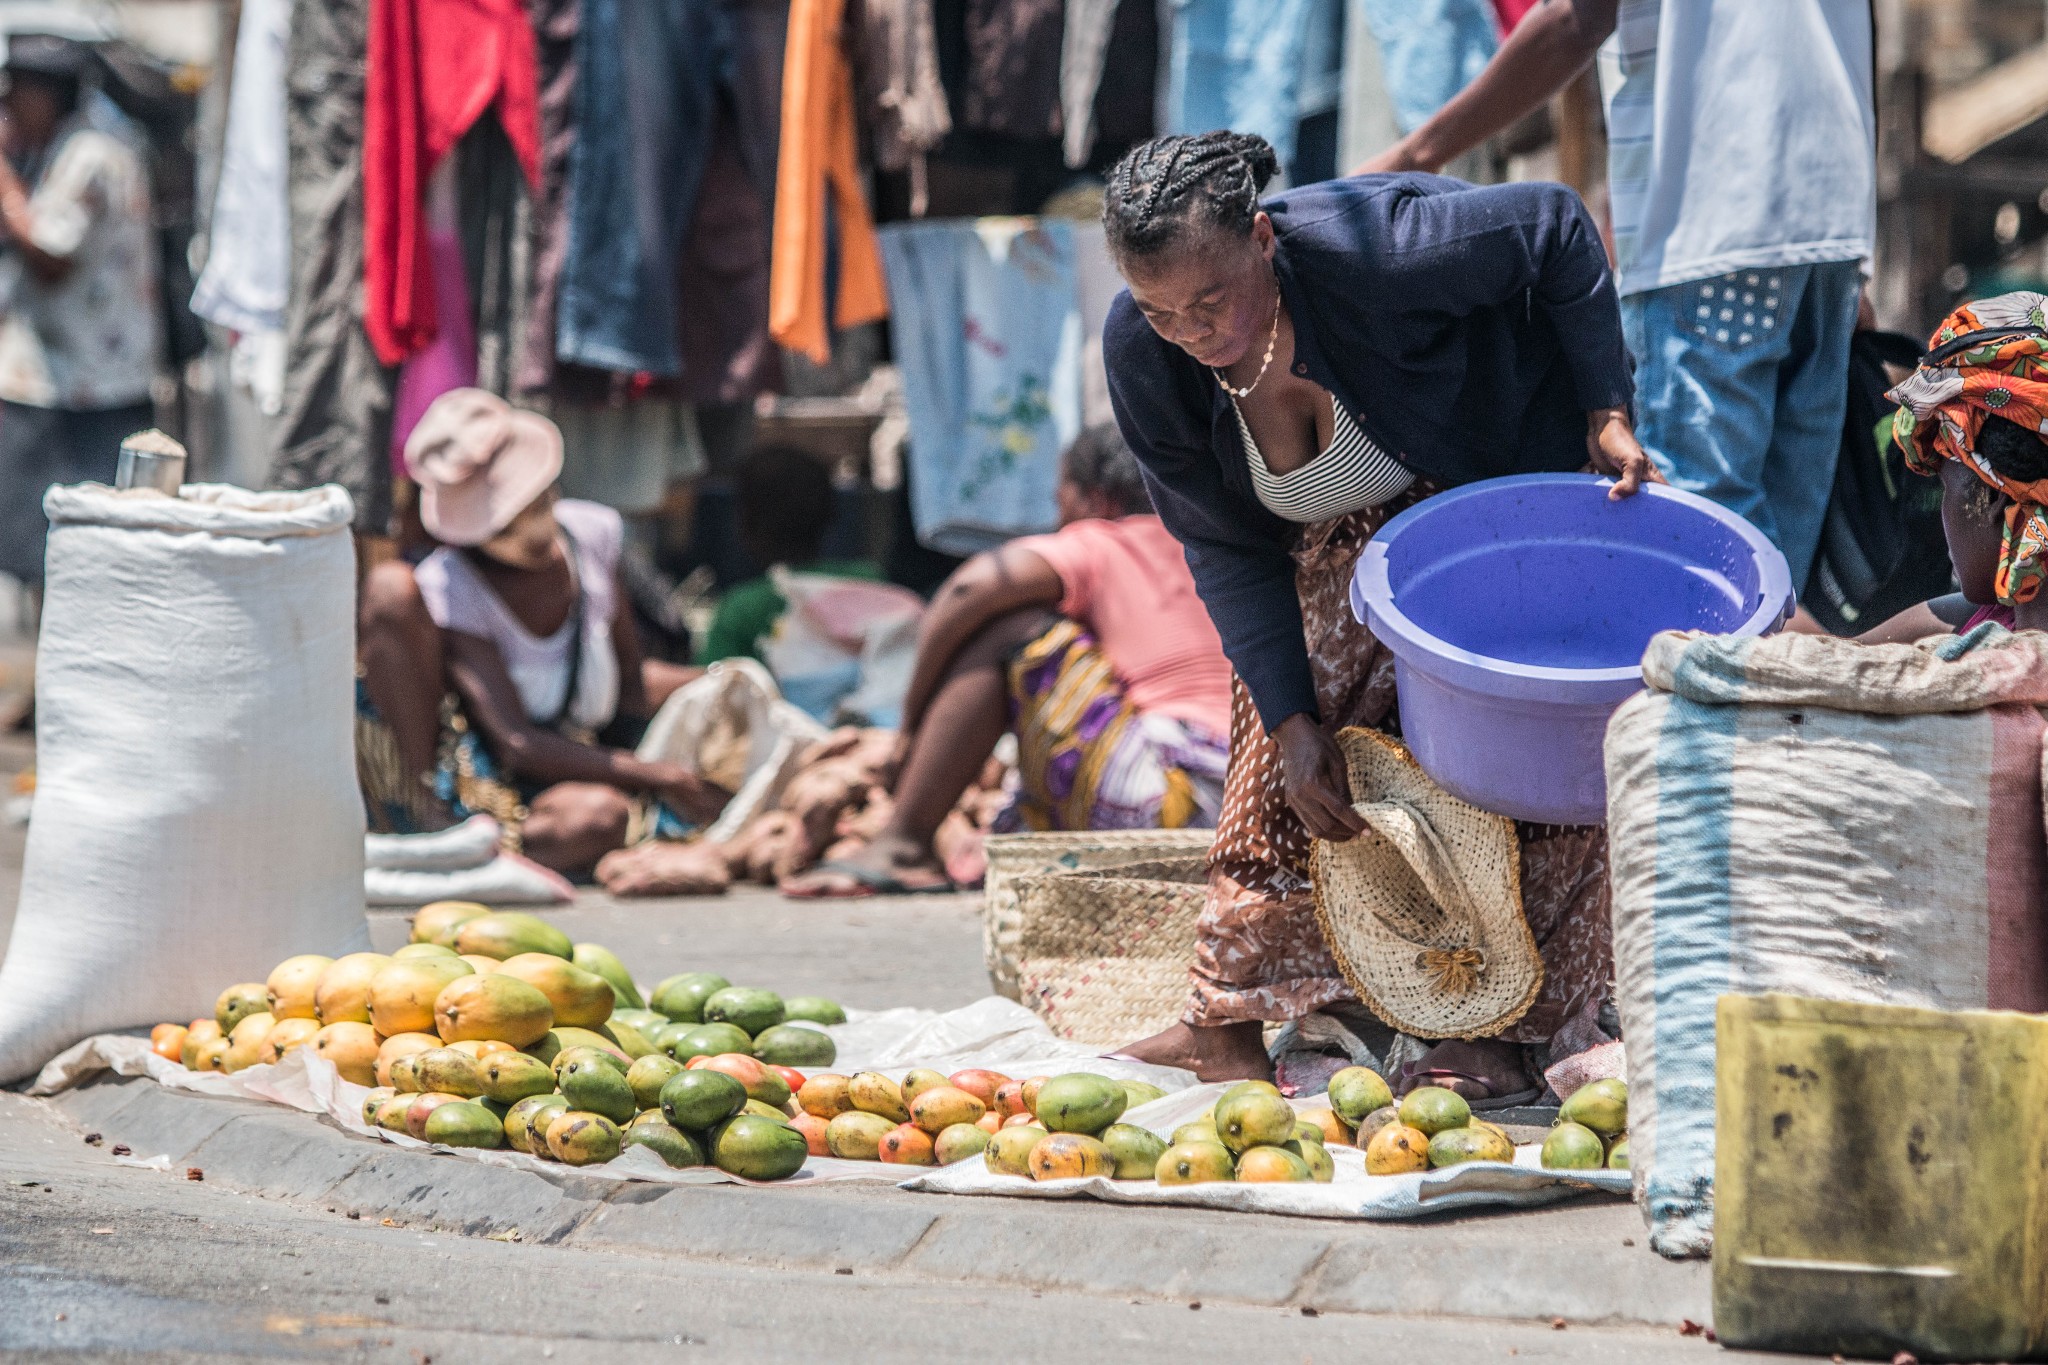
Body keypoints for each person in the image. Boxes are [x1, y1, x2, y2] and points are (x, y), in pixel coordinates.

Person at [1100, 130, 1655, 1089]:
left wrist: (1606, 409)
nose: (1191, 332)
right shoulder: (1145, 358)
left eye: (1210, 302)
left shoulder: (1383, 253)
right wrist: (1290, 719)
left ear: (1263, 242)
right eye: (1162, 311)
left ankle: (1513, 1030)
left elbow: (1557, 226)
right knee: (1286, 752)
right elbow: (1224, 547)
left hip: (1492, 496)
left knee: (1512, 758)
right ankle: (1228, 1013)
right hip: (1331, 537)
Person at [1360, 0, 1875, 594]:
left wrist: (1414, 153)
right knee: (1772, 572)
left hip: (1711, 222)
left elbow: (1576, 20)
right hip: (1832, 224)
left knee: (1698, 569)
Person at [783, 424, 1235, 898]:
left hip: (1169, 795)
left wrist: (911, 722)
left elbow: (967, 590)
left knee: (1016, 630)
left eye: (1059, 494)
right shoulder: (1208, 544)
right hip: (1244, 805)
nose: (1057, 511)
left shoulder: (1105, 540)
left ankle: (903, 843)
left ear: (1094, 500)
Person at [357, 388, 722, 873]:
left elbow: (629, 689)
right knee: (593, 818)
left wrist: (727, 684)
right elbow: (517, 742)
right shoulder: (452, 587)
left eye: (537, 509)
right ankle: (435, 829)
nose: (531, 537)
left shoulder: (591, 536)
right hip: (491, 776)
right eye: (505, 528)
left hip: (573, 760)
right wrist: (661, 776)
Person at [0, 33, 160, 590]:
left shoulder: (89, 153)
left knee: (83, 554)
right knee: (43, 550)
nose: (8, 107)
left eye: (15, 93)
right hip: (56, 385)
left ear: (47, 94)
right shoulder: (58, 149)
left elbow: (50, 254)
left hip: (88, 389)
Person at [1847, 295, 2048, 641]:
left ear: (1992, 497)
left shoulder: (1980, 636)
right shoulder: (1979, 615)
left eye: (1944, 488)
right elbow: (1839, 656)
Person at [697, 443, 881, 665]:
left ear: (745, 524)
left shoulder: (742, 611)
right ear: (831, 514)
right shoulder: (871, 583)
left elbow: (710, 685)